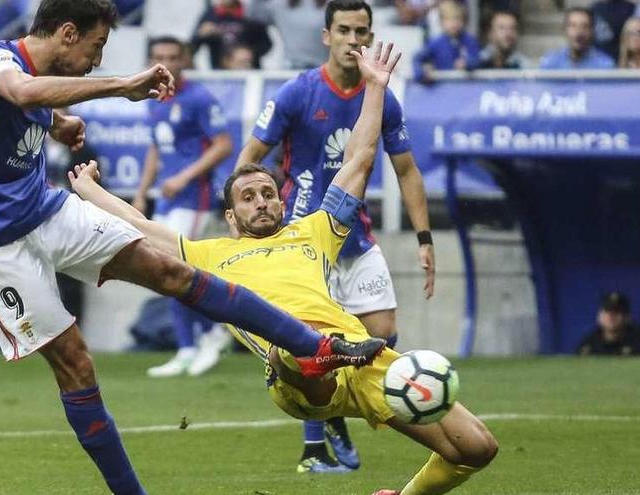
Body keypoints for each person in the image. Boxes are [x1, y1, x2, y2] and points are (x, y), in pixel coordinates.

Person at [0, 1, 384, 492]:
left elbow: (23, 106)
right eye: (96, 45)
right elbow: (18, 91)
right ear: (67, 33)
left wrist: (55, 123)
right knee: (76, 363)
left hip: (43, 209)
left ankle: (314, 346)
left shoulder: (40, 88)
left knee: (173, 271)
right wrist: (122, 85)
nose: (97, 59)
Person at [69, 41, 497, 495]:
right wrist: (90, 190)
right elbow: (140, 224)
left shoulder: (313, 232)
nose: (261, 202)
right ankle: (316, 349)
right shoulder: (208, 254)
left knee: (476, 449)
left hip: (361, 354)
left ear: (283, 200)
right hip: (296, 374)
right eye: (248, 198)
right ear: (231, 218)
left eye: (268, 193)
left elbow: (359, 160)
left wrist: (374, 87)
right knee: (300, 349)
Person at [236, 0, 436, 474]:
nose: (353, 40)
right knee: (312, 340)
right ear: (326, 36)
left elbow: (406, 170)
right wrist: (246, 215)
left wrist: (424, 237)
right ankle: (320, 440)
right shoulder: (296, 93)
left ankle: (338, 420)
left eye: (361, 31)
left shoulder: (381, 97)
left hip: (357, 234)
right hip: (305, 239)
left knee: (382, 334)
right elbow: (251, 154)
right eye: (343, 30)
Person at [133, 36, 235, 378]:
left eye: (173, 56)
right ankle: (190, 346)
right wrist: (141, 193)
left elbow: (223, 145)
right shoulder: (153, 98)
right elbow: (154, 150)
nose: (166, 62)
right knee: (165, 272)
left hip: (195, 197)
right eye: (159, 56)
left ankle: (211, 333)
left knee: (176, 268)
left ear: (185, 60)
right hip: (167, 197)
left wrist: (185, 177)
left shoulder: (199, 98)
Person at [246, 0, 329, 70]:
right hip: (290, 69)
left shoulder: (331, 5)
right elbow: (254, 15)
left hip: (322, 69)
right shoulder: (280, 5)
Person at [412, 0, 481, 83]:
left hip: (465, 85)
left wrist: (467, 63)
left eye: (458, 19)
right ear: (441, 22)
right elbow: (417, 59)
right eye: (449, 20)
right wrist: (422, 72)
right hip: (442, 87)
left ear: (464, 21)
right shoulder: (435, 43)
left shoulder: (470, 41)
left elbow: (478, 59)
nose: (454, 24)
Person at [190, 0, 271, 69]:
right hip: (220, 72)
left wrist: (251, 53)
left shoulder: (250, 13)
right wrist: (200, 35)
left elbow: (266, 43)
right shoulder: (210, 15)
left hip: (250, 70)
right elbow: (192, 47)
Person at [577, 292, 640, 356]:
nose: (611, 316)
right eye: (607, 311)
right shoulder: (588, 345)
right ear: (599, 316)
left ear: (627, 317)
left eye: (617, 312)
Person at [540, 7, 615, 69]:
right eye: (573, 26)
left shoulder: (605, 65)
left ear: (592, 31)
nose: (579, 33)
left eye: (585, 26)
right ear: (564, 30)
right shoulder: (550, 62)